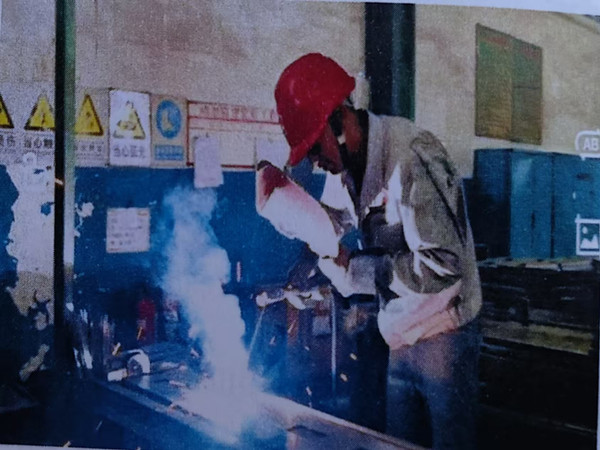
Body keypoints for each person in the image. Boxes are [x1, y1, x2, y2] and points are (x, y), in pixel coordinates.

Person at [271, 53, 482, 449]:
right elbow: (331, 223)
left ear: (340, 121)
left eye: (314, 148)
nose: (315, 162)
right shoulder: (343, 165)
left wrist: (359, 271)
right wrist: (304, 246)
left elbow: (444, 266)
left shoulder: (412, 157)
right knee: (398, 445)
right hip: (401, 329)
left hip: (445, 331)